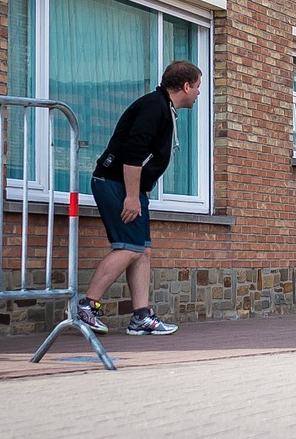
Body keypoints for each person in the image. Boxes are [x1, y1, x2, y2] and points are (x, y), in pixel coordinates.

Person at [75, 60, 202, 336]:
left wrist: (141, 189)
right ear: (186, 85)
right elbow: (133, 153)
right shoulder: (153, 107)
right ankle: (86, 306)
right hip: (113, 184)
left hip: (127, 187)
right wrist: (132, 196)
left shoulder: (162, 108)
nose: (198, 94)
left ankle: (141, 317)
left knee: (141, 249)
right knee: (129, 247)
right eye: (198, 87)